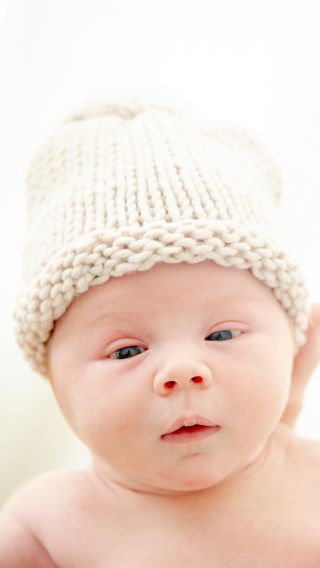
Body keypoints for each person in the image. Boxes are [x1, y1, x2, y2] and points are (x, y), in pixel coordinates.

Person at [1, 99, 320, 567]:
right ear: (53, 376)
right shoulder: (45, 528)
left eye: (223, 335)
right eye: (127, 350)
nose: (184, 371)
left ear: (294, 345)